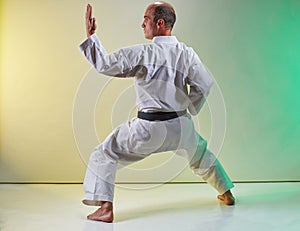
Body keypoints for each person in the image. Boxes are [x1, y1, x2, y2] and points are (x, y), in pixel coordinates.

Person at [79, 2, 235, 223]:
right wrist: (189, 107)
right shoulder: (186, 53)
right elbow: (205, 84)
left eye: (146, 19)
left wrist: (91, 37)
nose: (142, 24)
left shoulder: (143, 53)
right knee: (200, 154)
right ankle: (227, 193)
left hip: (148, 130)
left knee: (104, 153)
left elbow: (105, 65)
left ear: (160, 23)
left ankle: (105, 208)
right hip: (181, 128)